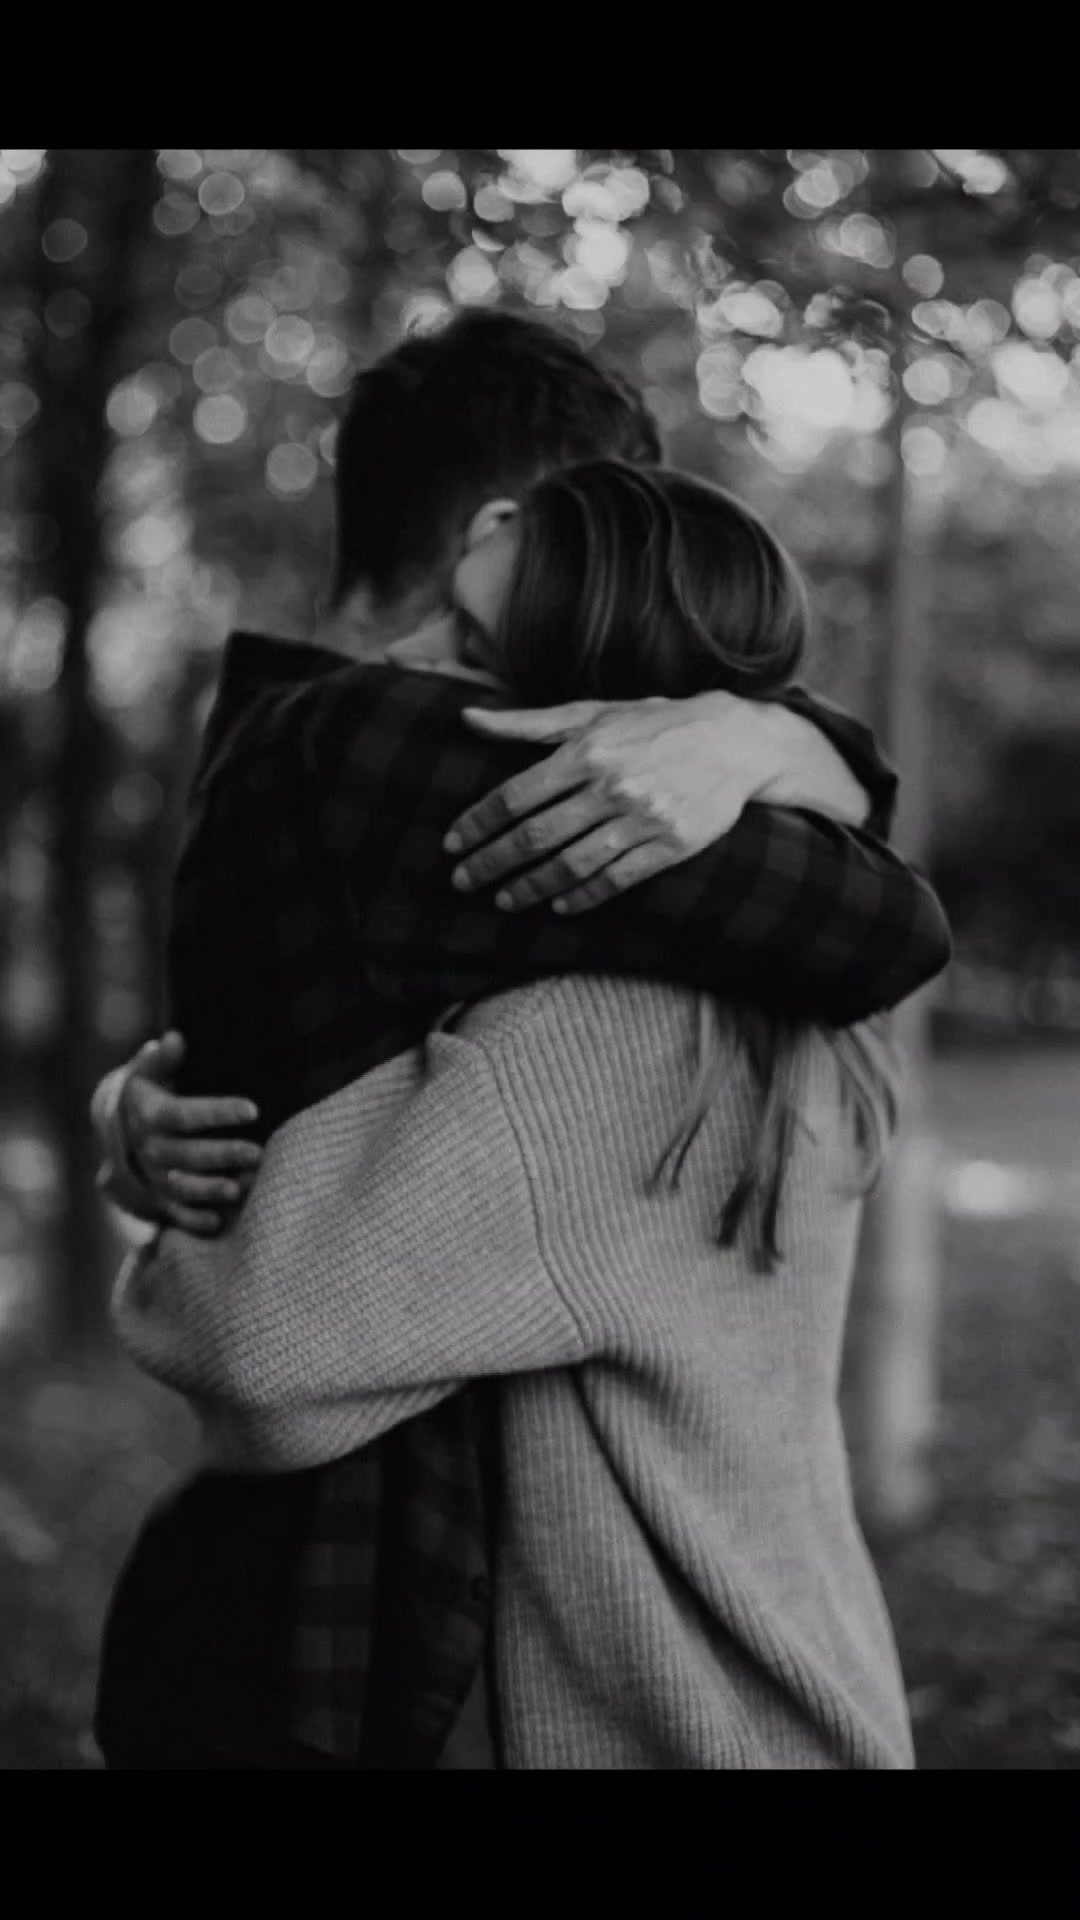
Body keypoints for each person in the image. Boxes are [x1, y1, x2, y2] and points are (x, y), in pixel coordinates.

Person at [93, 309, 949, 1770]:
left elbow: (251, 1337)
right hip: (736, 1673)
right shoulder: (399, 782)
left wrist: (780, 750)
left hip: (571, 1689)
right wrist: (800, 754)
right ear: (516, 527)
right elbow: (890, 925)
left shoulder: (600, 1014)